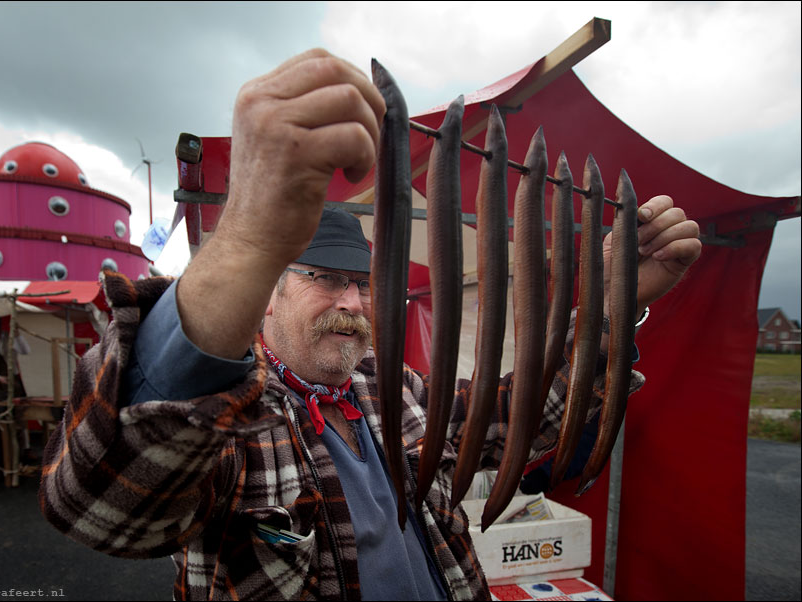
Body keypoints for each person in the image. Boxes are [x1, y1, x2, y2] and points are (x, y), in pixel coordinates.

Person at [39, 49, 702, 600]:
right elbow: (103, 510)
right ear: (266, 293)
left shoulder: (401, 391)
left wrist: (614, 308)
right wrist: (248, 236)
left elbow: (527, 413)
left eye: (360, 282)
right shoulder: (228, 430)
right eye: (323, 278)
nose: (352, 302)